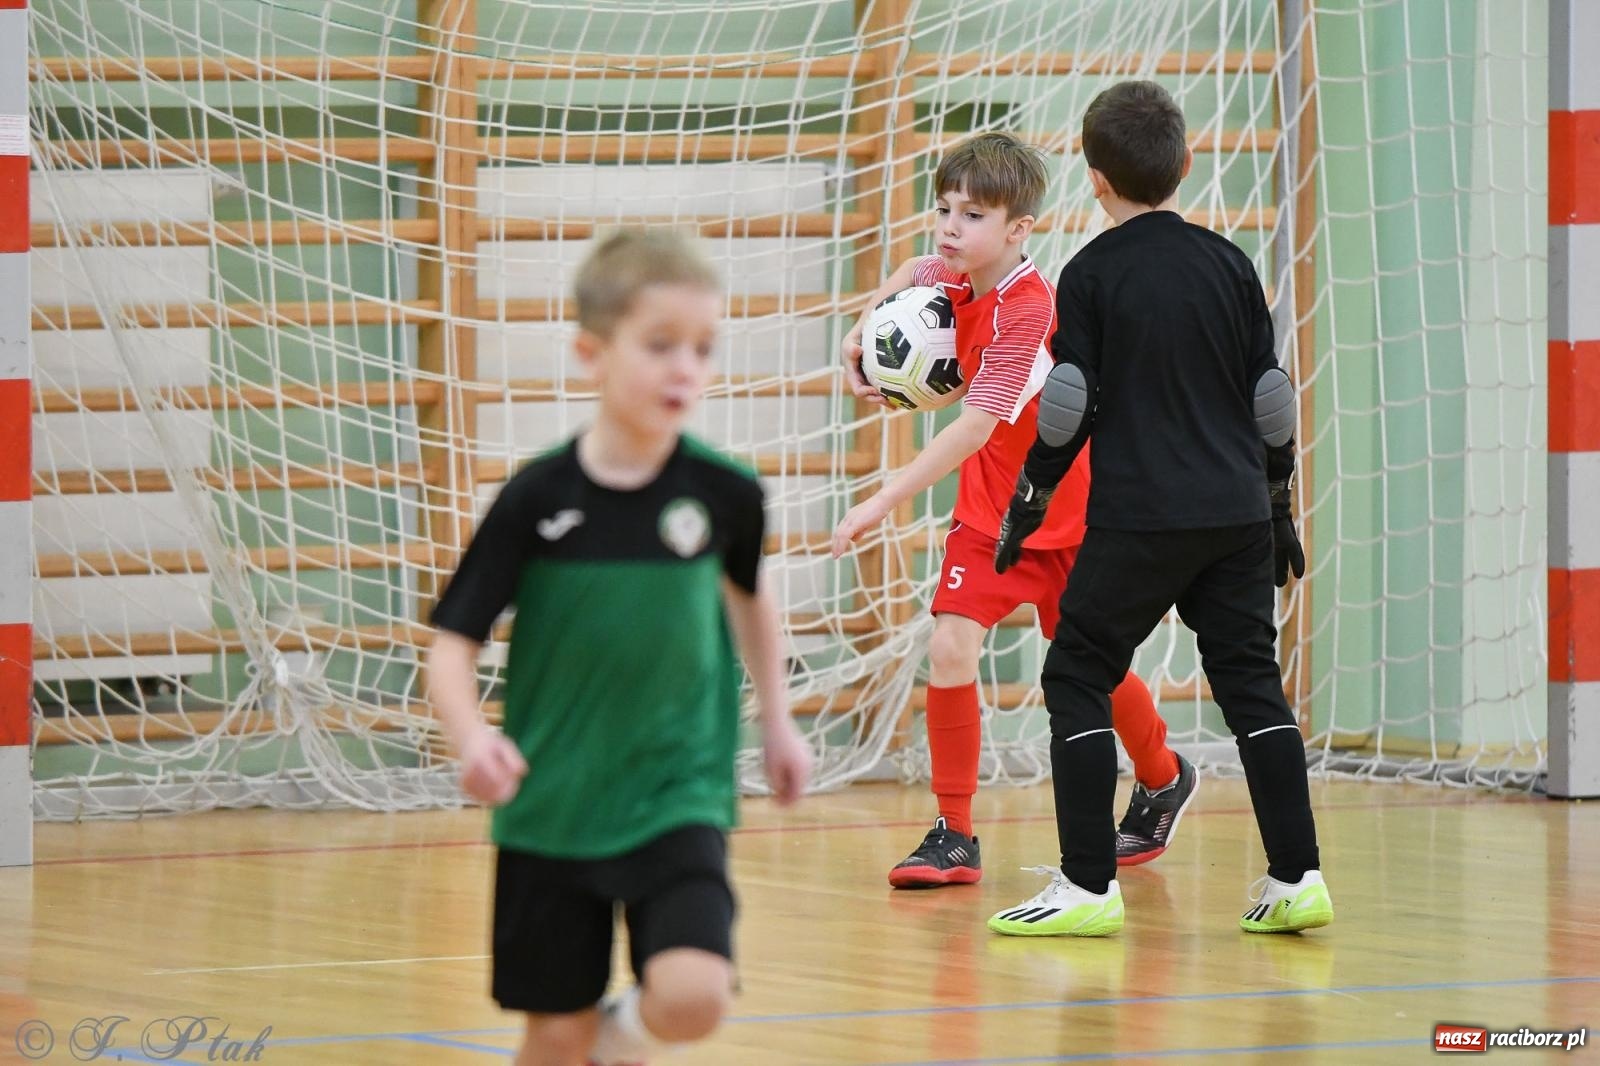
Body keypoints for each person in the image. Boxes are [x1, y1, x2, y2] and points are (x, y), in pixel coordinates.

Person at [426, 228, 814, 1066]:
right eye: (661, 345)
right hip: (552, 805)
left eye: (703, 348)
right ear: (590, 355)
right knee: (553, 1037)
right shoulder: (537, 498)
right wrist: (472, 738)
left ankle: (619, 1044)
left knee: (693, 993)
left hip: (677, 793)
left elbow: (752, 601)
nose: (686, 368)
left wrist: (779, 723)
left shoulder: (726, 494)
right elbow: (451, 642)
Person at [986, 81, 1333, 937]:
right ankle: (1299, 879)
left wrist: (1030, 496)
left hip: (1143, 517)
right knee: (1253, 686)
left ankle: (1087, 885)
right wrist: (1280, 499)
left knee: (1076, 672)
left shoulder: (1093, 273)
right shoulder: (1229, 263)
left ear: (1095, 178)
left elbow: (1068, 402)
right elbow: (1271, 398)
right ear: (1184, 162)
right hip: (1237, 514)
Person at [835, 130, 1197, 889]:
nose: (948, 229)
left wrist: (879, 500)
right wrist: (861, 331)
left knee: (1088, 668)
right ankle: (955, 834)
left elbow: (974, 426)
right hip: (989, 514)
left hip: (1064, 510)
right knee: (949, 649)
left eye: (971, 216)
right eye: (944, 209)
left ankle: (1163, 775)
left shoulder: (1029, 310)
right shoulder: (954, 274)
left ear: (1019, 229)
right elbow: (912, 267)